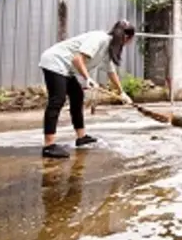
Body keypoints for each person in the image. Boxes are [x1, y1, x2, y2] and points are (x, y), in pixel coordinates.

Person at [38, 20, 136, 159]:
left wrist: (122, 92)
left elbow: (111, 72)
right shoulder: (99, 38)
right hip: (55, 61)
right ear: (126, 37)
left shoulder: (108, 47)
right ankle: (49, 146)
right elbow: (77, 59)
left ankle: (81, 137)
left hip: (66, 68)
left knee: (77, 96)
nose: (129, 43)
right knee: (57, 100)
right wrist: (88, 78)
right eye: (130, 40)